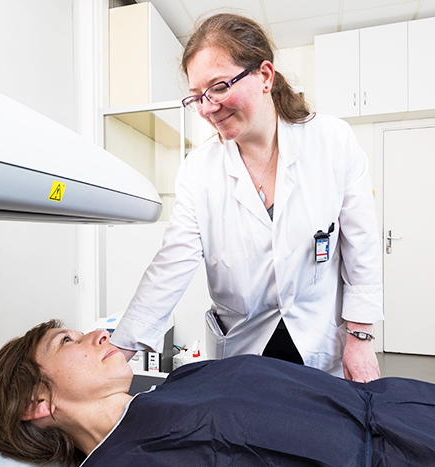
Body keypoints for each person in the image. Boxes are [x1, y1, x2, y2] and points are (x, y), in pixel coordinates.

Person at [110, 12, 383, 382]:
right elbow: (171, 264)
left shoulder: (332, 141)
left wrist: (359, 337)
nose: (207, 107)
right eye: (197, 97)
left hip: (318, 338)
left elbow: (361, 245)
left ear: (265, 76)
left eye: (218, 87)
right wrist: (120, 349)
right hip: (243, 345)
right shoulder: (198, 171)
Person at [0, 321, 435, 467]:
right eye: (67, 341)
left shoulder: (177, 384)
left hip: (414, 409)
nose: (99, 333)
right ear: (38, 403)